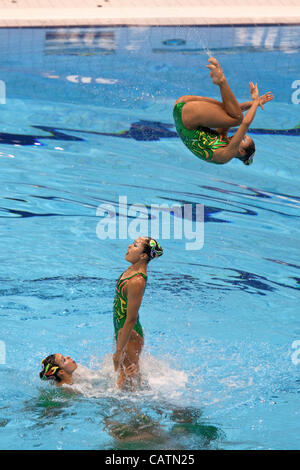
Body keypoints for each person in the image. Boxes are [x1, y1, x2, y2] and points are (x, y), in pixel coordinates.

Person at [173, 57, 273, 165]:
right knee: (231, 114)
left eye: (243, 139)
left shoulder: (224, 156)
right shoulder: (223, 139)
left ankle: (221, 80)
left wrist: (255, 101)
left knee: (237, 119)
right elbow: (234, 110)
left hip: (186, 117)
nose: (239, 135)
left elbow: (245, 123)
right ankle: (219, 74)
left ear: (241, 151)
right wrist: (254, 103)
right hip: (184, 111)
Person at [113, 237, 163, 388]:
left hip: (129, 332)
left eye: (135, 245)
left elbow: (131, 319)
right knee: (128, 376)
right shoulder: (131, 269)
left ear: (143, 256)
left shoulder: (137, 280)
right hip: (122, 329)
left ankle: (136, 410)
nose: (129, 246)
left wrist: (118, 351)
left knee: (128, 380)